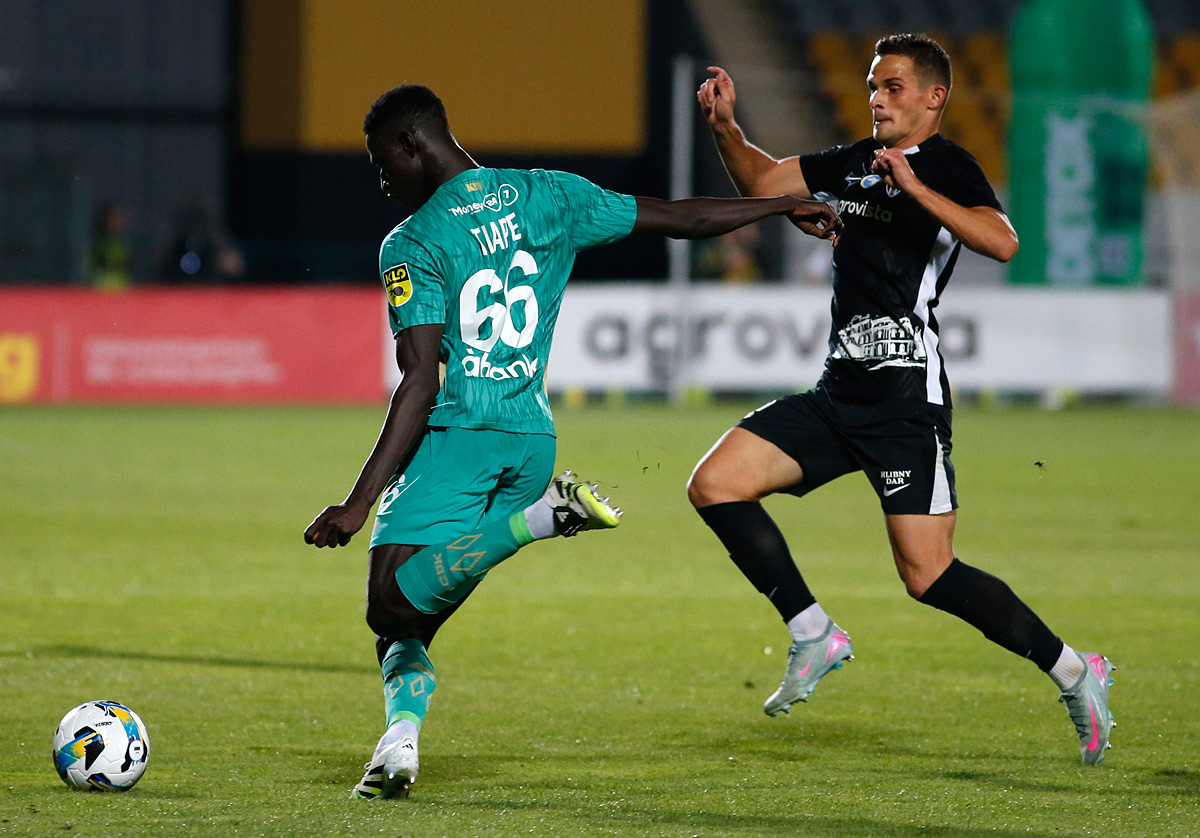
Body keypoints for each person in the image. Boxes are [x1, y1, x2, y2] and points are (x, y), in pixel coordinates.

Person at [304, 84, 842, 800]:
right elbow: (682, 217)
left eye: (381, 164)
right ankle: (398, 745)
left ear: (411, 145)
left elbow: (421, 379)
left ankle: (540, 520)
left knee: (389, 606)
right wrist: (778, 206)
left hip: (461, 435)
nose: (381, 181)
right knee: (412, 620)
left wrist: (358, 502)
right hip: (530, 442)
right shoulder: (549, 194)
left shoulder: (413, 242)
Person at [688, 34, 1115, 765]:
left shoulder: (949, 167)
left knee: (929, 575)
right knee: (715, 484)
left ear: (933, 97)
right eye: (872, 87)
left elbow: (1002, 242)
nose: (876, 99)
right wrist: (727, 129)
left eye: (891, 87)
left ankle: (1076, 670)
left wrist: (915, 188)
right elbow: (762, 182)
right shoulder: (854, 160)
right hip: (838, 392)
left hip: (905, 402)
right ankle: (812, 631)